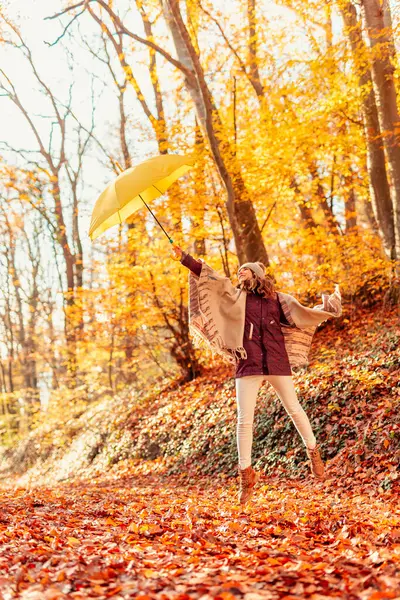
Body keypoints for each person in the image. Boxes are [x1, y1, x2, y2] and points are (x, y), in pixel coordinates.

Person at [171, 245, 342, 504]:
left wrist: (326, 309)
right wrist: (185, 259)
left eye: (244, 271)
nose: (239, 274)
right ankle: (246, 476)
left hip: (276, 362)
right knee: (244, 420)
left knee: (294, 409)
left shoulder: (279, 299)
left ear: (256, 275)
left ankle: (313, 452)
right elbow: (211, 279)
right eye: (238, 271)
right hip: (247, 362)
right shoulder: (236, 297)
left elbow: (303, 315)